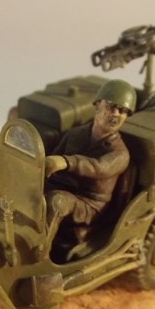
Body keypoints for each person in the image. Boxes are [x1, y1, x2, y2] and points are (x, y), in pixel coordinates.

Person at [44, 79, 136, 247]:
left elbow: (98, 167)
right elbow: (52, 160)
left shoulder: (120, 154)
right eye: (111, 106)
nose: (115, 113)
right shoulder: (75, 134)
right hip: (63, 187)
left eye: (122, 111)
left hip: (88, 205)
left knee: (56, 202)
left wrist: (65, 161)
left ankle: (38, 252)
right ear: (98, 105)